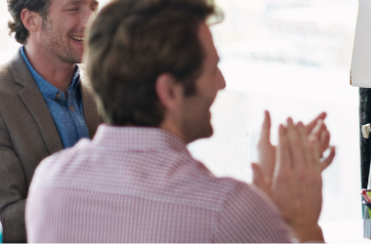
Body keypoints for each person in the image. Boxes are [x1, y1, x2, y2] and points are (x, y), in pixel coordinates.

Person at [24, 0, 337, 242]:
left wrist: (260, 212)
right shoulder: (225, 208)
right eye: (212, 68)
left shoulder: (50, 182)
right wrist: (301, 223)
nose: (222, 82)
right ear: (171, 91)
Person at [0, 0, 103, 241]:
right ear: (31, 20)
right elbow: (9, 219)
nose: (91, 21)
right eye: (74, 8)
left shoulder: (105, 87)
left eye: (93, 7)